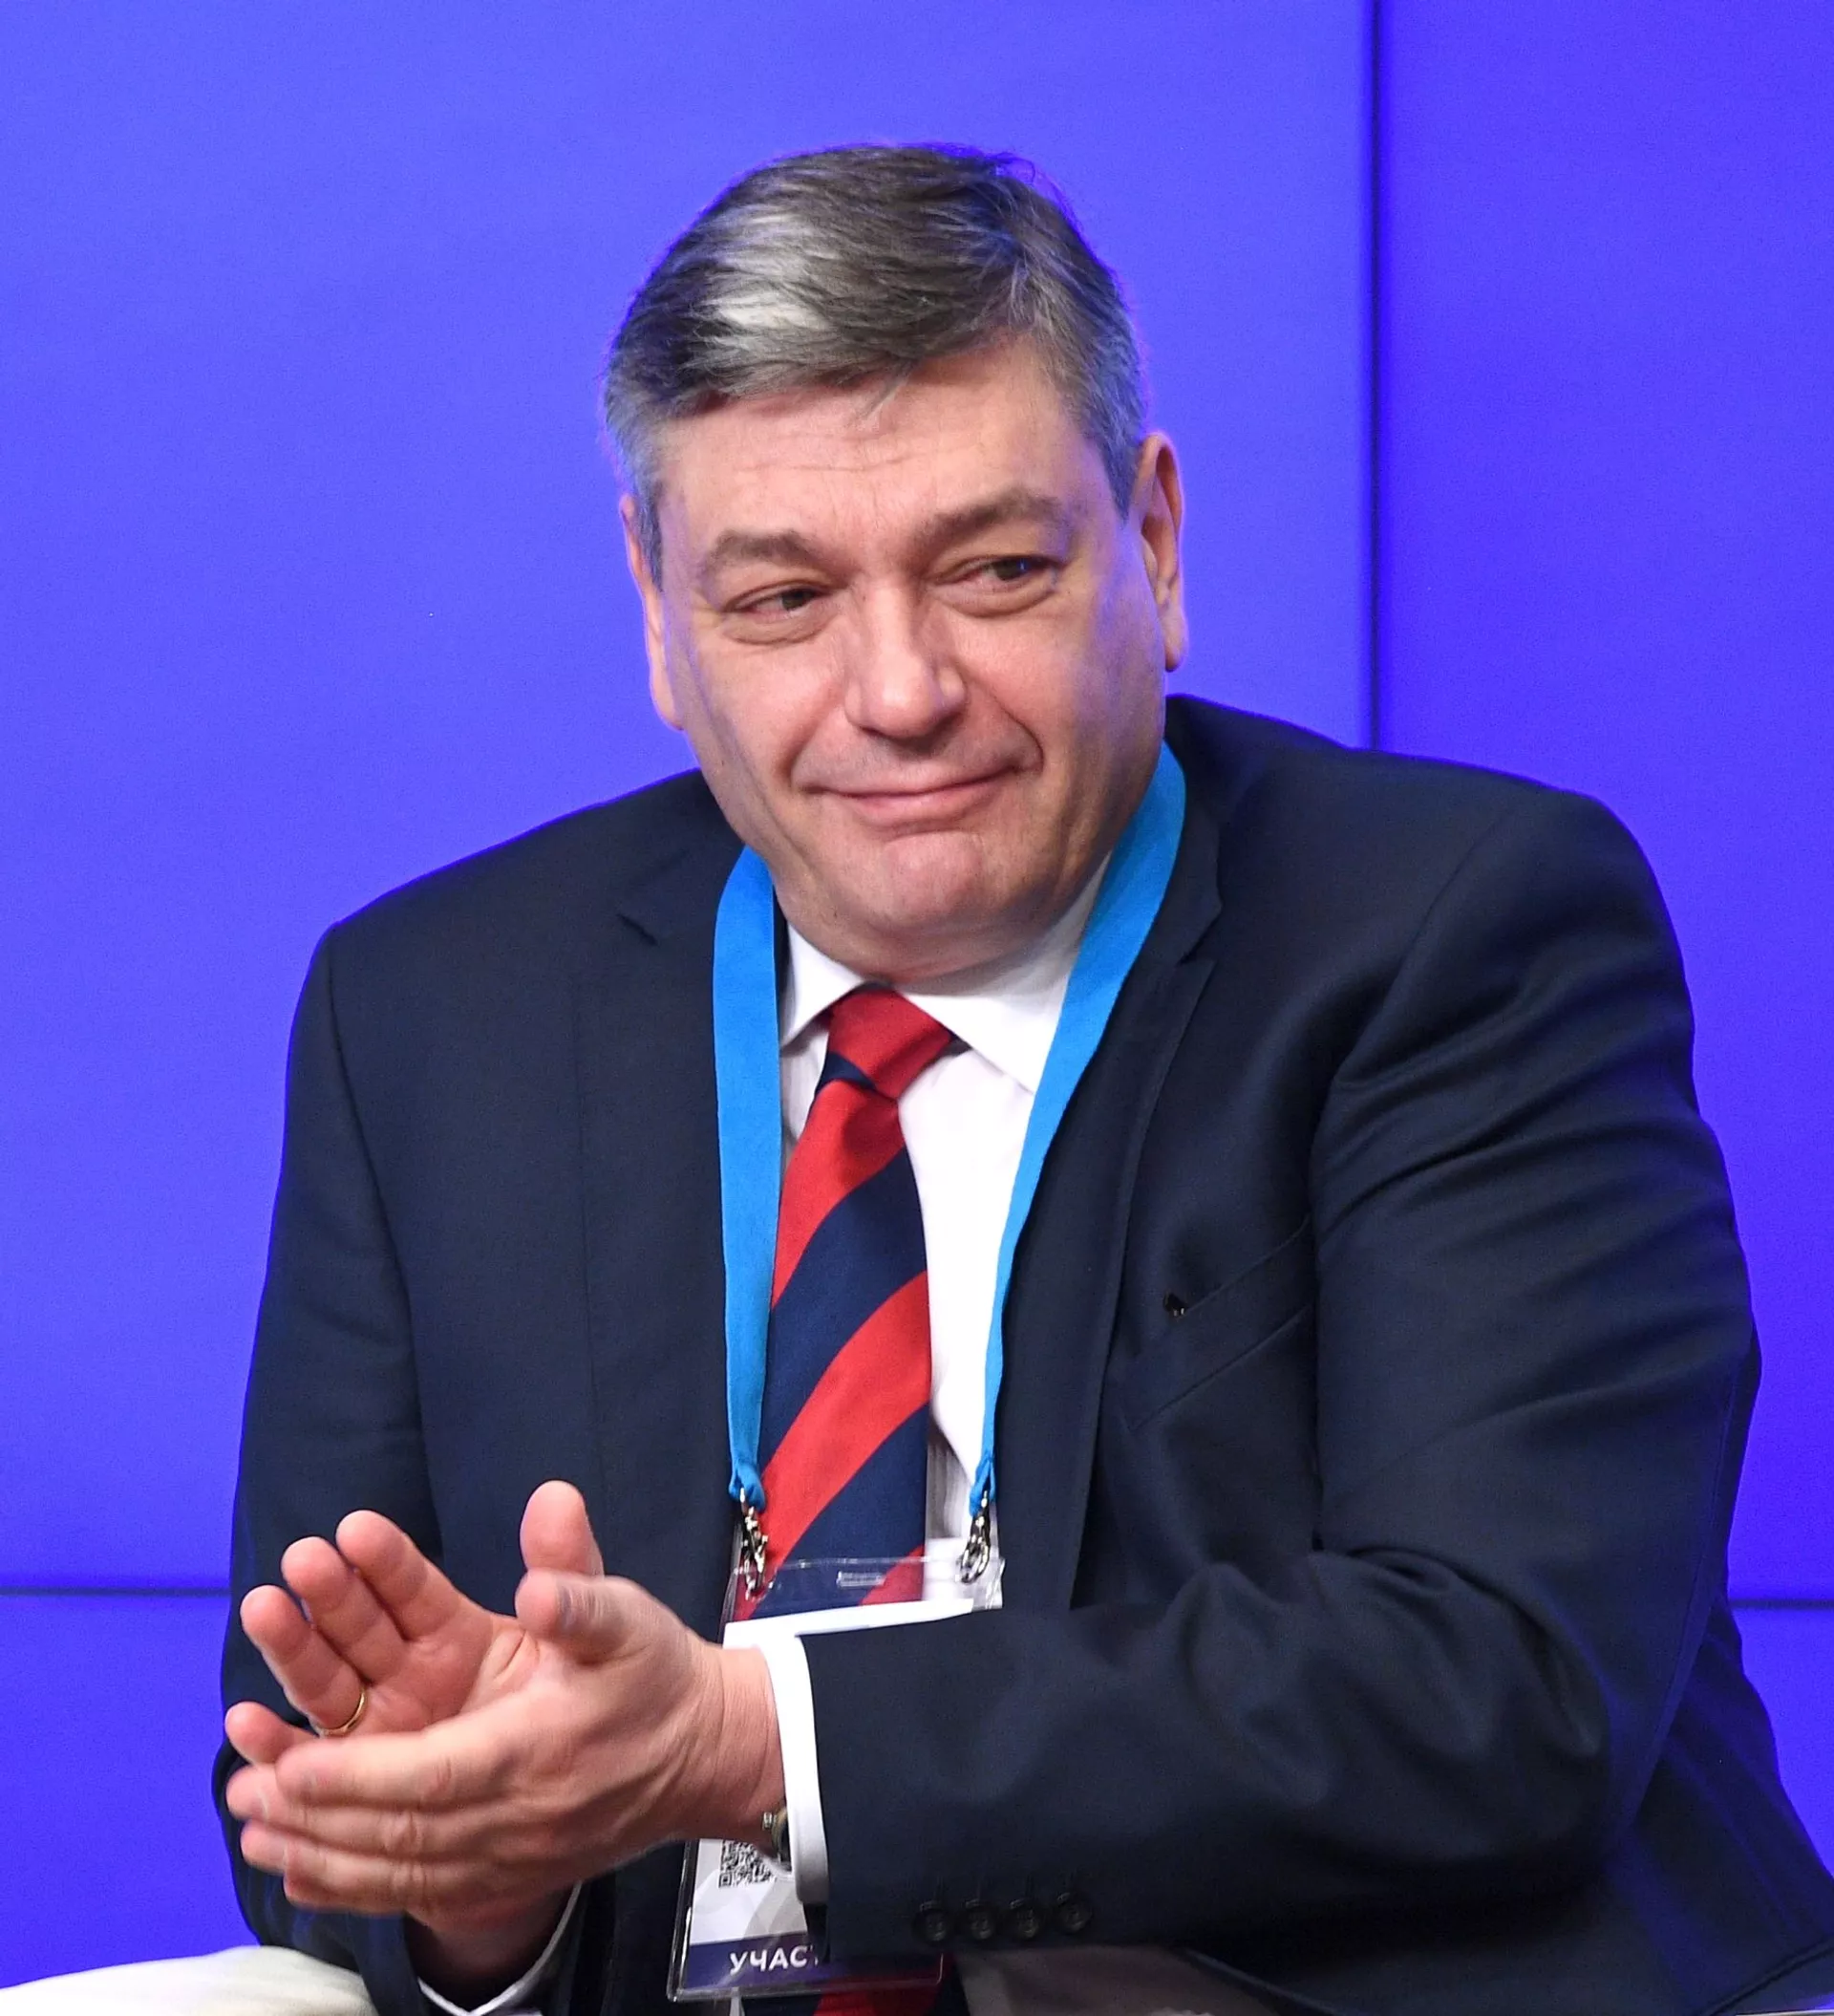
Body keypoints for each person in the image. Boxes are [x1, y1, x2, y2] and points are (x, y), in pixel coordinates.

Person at [204, 145, 1834, 2016]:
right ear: (657, 608)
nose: (900, 690)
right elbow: (320, 1793)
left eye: (994, 570)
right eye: (783, 598)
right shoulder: (432, 1009)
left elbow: (1504, 1683)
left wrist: (759, 1736)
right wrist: (478, 1859)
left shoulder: (1462, 931)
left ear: (1154, 538)